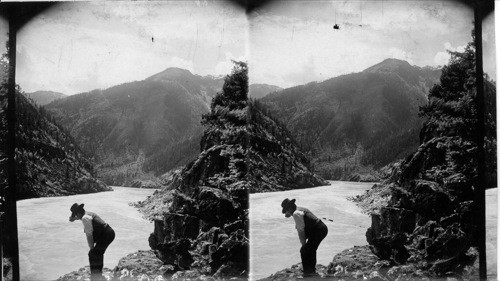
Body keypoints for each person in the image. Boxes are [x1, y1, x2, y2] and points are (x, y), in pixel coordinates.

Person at [282, 198, 328, 277]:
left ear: (289, 209)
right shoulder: (299, 209)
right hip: (319, 228)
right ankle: (309, 270)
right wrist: (288, 214)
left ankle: (308, 271)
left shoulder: (296, 214)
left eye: (286, 210)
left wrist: (303, 244)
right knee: (310, 249)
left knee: (306, 250)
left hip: (318, 230)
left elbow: (301, 231)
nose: (286, 213)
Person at [69, 203, 115, 281]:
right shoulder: (87, 213)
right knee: (98, 253)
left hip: (106, 235)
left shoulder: (85, 218)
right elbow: (81, 217)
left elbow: (89, 235)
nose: (78, 217)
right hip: (107, 233)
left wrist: (91, 247)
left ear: (78, 213)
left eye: (76, 215)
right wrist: (74, 218)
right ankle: (97, 275)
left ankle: (95, 277)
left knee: (93, 253)